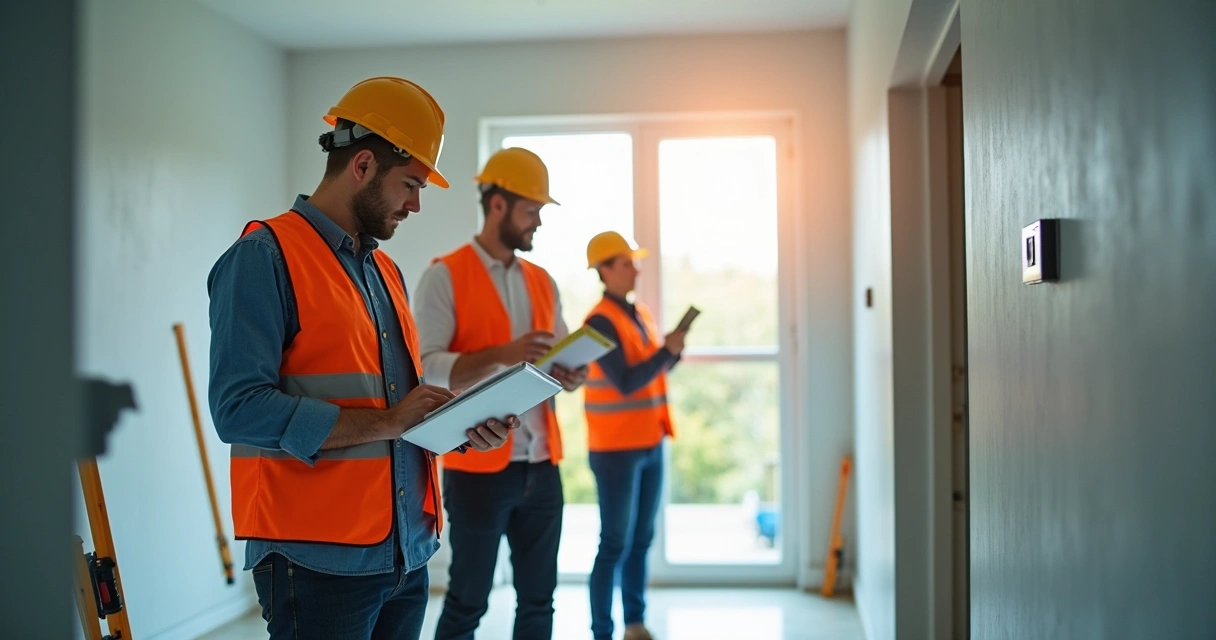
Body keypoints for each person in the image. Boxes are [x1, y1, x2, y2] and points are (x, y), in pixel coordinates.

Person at [207, 76, 517, 640]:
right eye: (410, 184)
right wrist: (391, 420)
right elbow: (238, 410)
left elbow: (397, 411)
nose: (417, 204)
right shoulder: (263, 256)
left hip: (404, 555)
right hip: (316, 564)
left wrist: (461, 427)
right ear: (364, 165)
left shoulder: (385, 272)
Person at [414, 147, 587, 640]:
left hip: (541, 465)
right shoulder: (444, 276)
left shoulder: (542, 281)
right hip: (477, 471)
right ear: (497, 205)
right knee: (468, 602)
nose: (537, 223)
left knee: (539, 602)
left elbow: (558, 353)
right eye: (531, 211)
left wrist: (568, 374)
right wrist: (503, 352)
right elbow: (428, 368)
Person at [582, 231, 686, 640]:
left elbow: (651, 373)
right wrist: (665, 353)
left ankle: (634, 623)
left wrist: (671, 352)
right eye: (626, 262)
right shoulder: (598, 323)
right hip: (615, 450)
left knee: (641, 539)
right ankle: (602, 631)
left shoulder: (639, 313)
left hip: (649, 441)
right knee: (614, 544)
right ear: (604, 271)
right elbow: (626, 381)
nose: (635, 268)